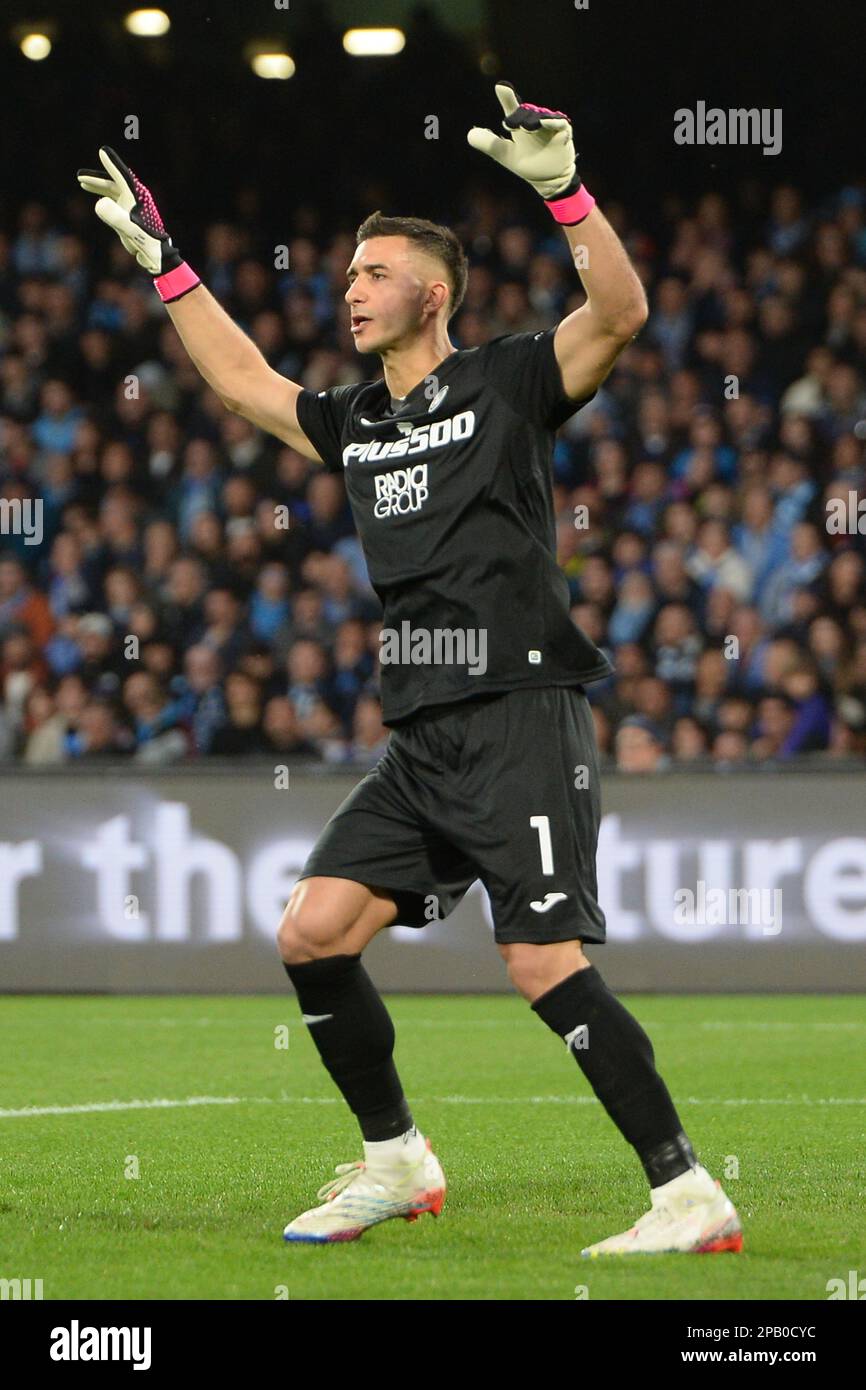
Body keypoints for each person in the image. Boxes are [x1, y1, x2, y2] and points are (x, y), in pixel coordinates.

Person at [78, 82, 742, 1257]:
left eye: (370, 274)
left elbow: (622, 312)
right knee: (312, 930)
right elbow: (241, 384)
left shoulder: (507, 381)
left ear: (429, 293)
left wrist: (562, 192)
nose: (348, 288)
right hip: (421, 734)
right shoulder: (356, 422)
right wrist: (166, 265)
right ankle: (396, 1159)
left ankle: (686, 1194)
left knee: (540, 960)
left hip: (517, 713)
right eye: (345, 274)